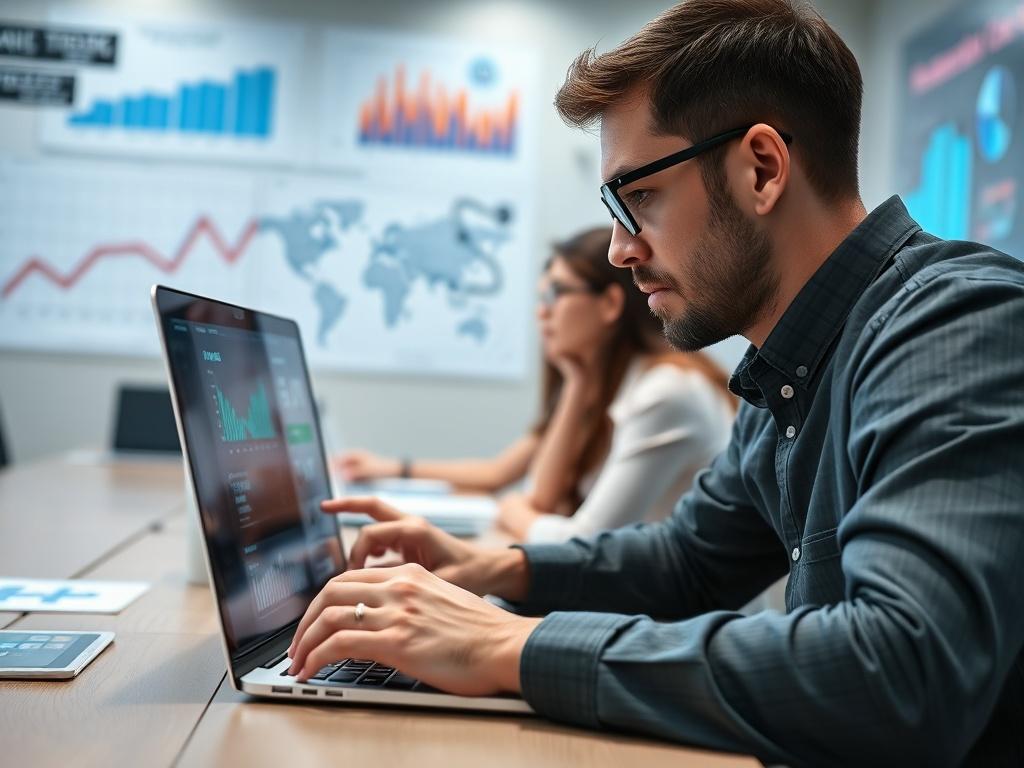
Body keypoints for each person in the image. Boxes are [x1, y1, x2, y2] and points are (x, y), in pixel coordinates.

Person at [286, 1, 1024, 764]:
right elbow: (690, 561)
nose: (617, 250)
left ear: (761, 169)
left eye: (637, 198)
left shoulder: (955, 327)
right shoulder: (791, 370)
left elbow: (901, 673)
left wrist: (513, 646)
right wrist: (493, 568)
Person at [335, 227, 735, 543]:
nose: (542, 312)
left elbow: (581, 539)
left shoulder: (664, 394)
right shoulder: (600, 385)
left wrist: (514, 511)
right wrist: (576, 383)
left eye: (556, 293)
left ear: (610, 305)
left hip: (680, 627)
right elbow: (531, 490)